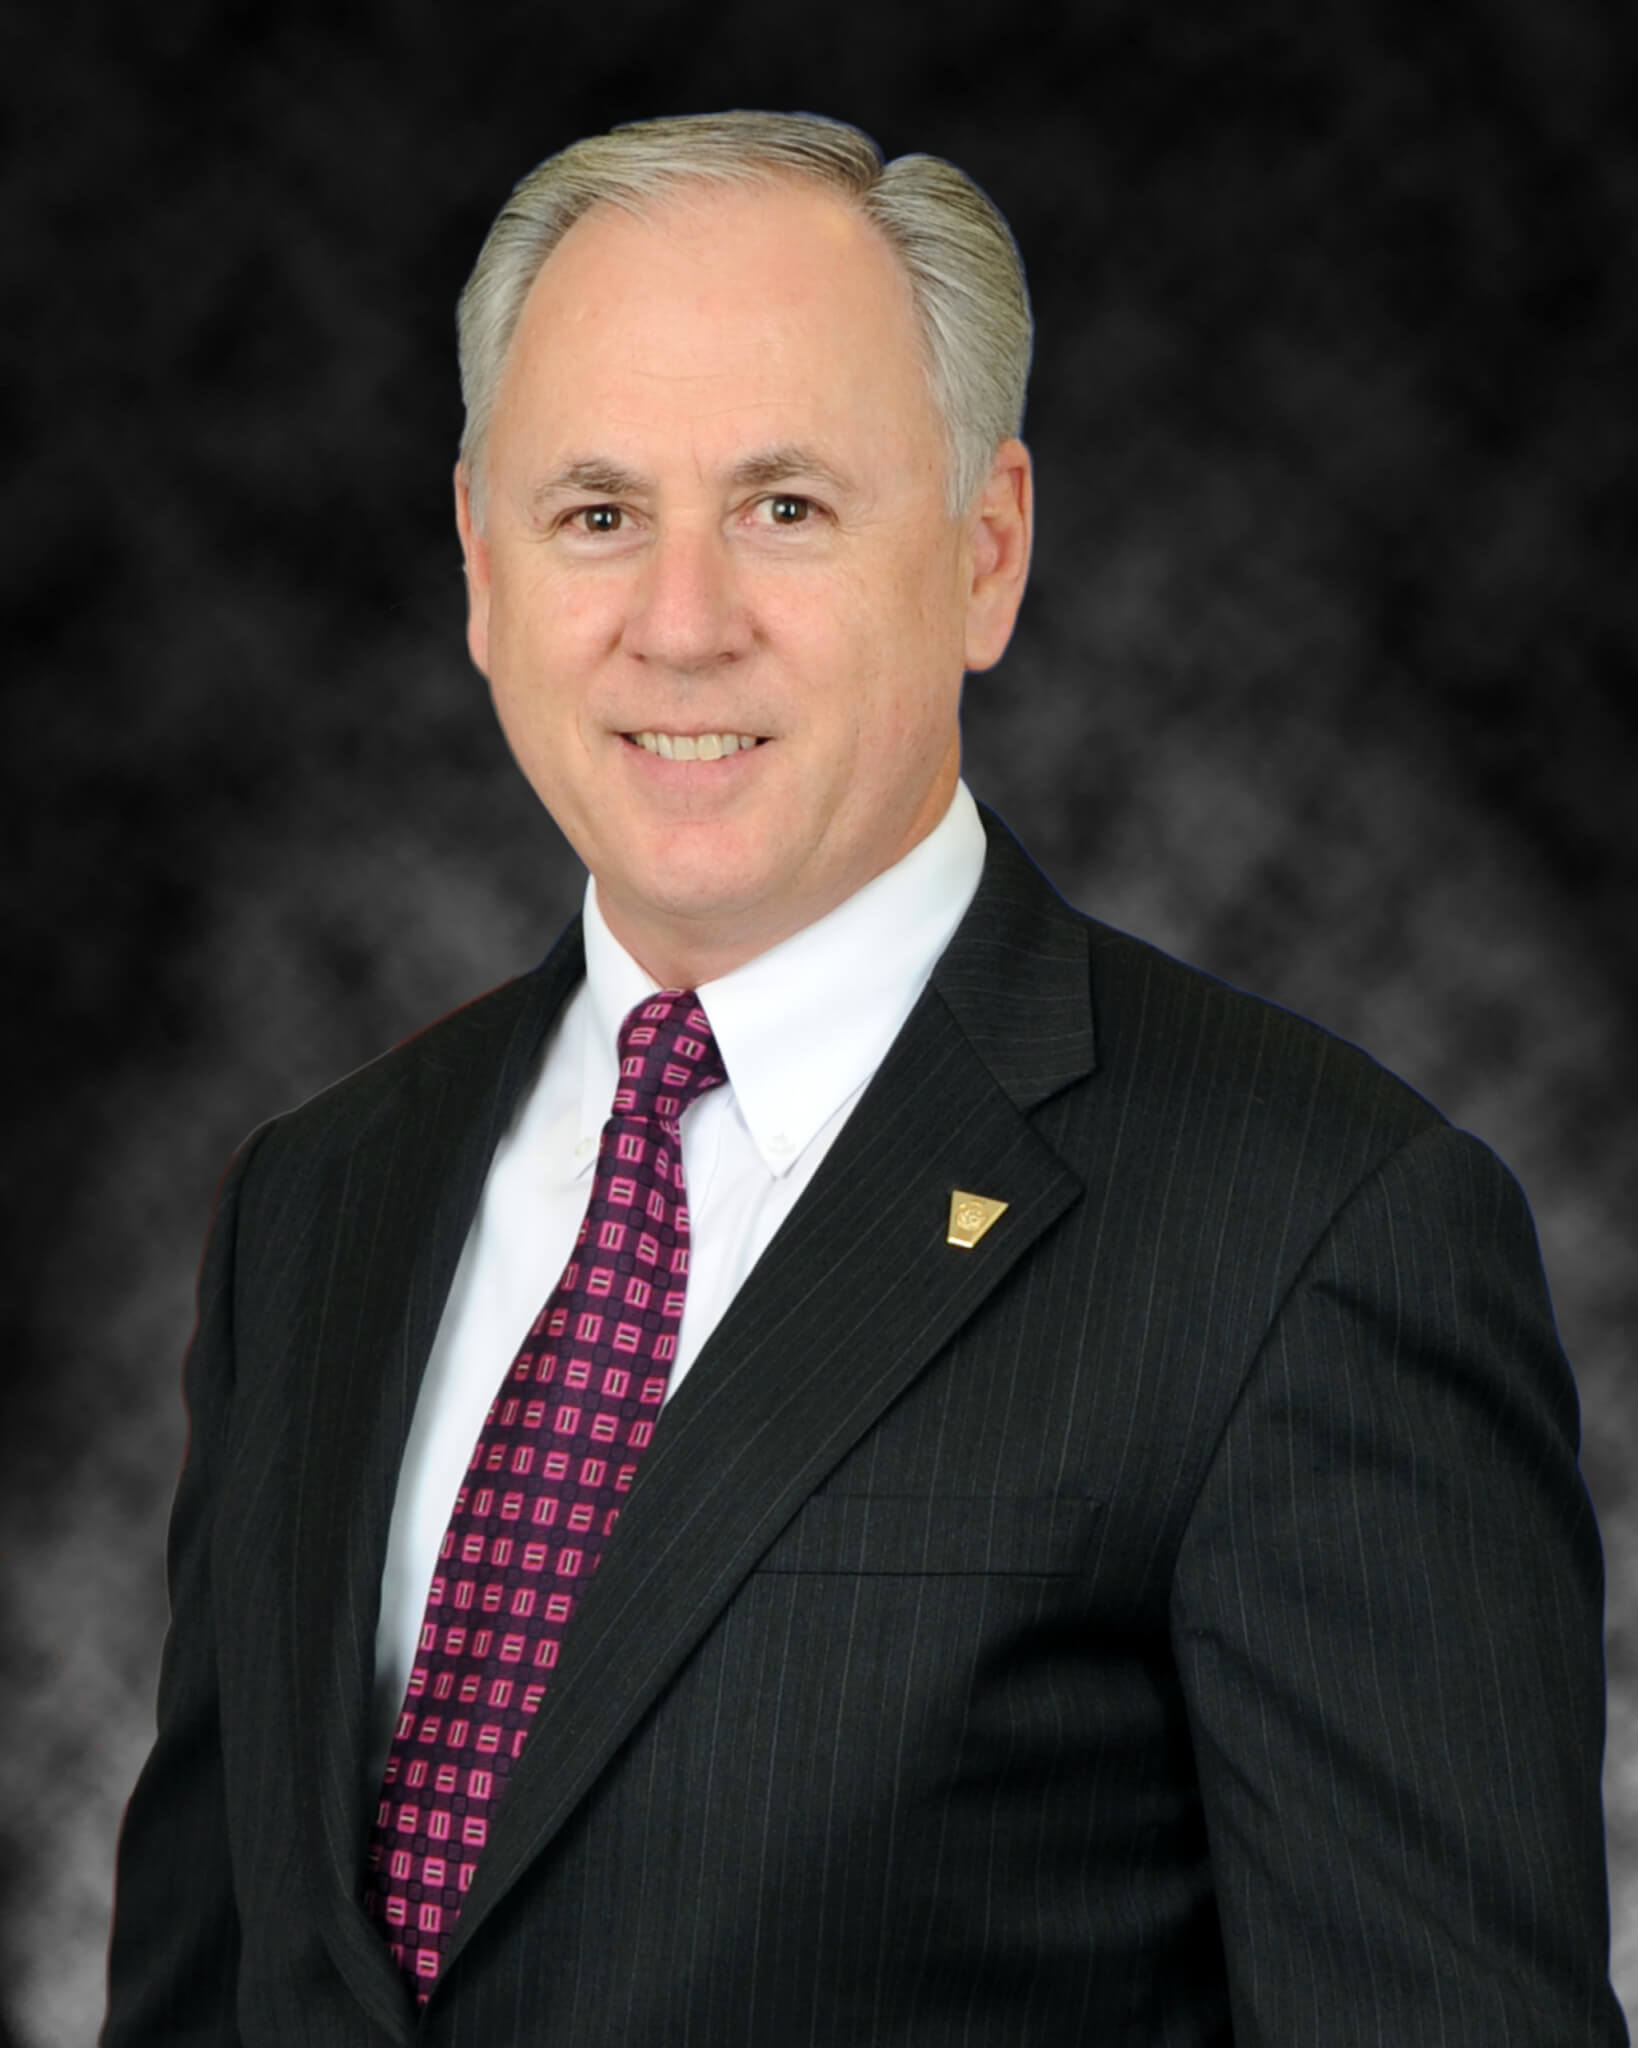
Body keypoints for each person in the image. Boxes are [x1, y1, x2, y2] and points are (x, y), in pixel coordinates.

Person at [103, 110, 1626, 2045]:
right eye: (597, 514)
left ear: (987, 554)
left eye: (785, 507)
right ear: (481, 566)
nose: (679, 622)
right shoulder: (317, 1205)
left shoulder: (1312, 1237)